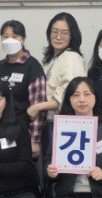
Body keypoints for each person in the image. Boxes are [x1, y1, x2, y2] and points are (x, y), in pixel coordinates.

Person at [29, 13, 87, 162]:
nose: (58, 37)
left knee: (54, 167)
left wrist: (38, 107)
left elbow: (68, 95)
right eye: (54, 32)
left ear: (72, 35)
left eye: (64, 33)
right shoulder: (52, 59)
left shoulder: (72, 58)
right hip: (48, 123)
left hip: (61, 123)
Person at [0, 20, 47, 158]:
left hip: (23, 134)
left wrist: (35, 140)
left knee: (20, 168)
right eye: (5, 36)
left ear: (23, 39)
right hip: (0, 133)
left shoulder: (33, 67)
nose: (9, 40)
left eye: (14, 36)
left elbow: (39, 106)